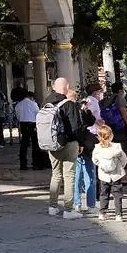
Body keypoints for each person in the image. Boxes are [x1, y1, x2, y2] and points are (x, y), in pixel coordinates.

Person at [40, 77, 88, 219]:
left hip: (52, 143)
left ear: (54, 87)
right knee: (69, 176)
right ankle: (68, 209)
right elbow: (76, 127)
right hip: (68, 143)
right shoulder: (69, 104)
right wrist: (80, 143)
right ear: (67, 87)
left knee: (55, 175)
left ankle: (53, 206)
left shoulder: (45, 102)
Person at [74, 82, 104, 213]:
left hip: (81, 137)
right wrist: (99, 122)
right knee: (90, 171)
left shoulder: (83, 101)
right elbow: (90, 116)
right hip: (91, 136)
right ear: (96, 92)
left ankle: (77, 203)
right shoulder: (92, 101)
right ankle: (91, 204)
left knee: (78, 173)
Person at [92, 124, 127, 221]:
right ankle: (118, 215)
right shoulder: (117, 147)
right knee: (117, 195)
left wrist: (100, 165)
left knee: (104, 194)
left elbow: (94, 160)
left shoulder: (97, 148)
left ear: (99, 137)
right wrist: (121, 167)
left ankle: (102, 213)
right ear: (111, 135)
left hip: (103, 175)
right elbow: (124, 159)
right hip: (116, 174)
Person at [106, 81, 127, 184]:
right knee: (124, 152)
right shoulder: (120, 98)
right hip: (122, 129)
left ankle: (115, 176)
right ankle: (124, 178)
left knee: (113, 153)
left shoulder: (108, 99)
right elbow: (124, 112)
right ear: (120, 90)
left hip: (111, 129)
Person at [14, 90, 45, 170]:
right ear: (31, 97)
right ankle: (36, 164)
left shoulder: (18, 104)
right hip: (32, 124)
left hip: (23, 124)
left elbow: (17, 115)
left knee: (24, 144)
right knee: (35, 144)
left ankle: (23, 164)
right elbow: (38, 114)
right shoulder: (33, 104)